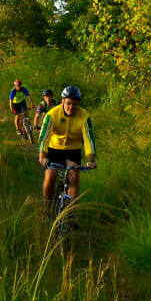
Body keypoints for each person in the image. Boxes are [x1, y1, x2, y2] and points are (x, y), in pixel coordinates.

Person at [37, 85, 96, 216]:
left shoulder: (84, 116)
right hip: (54, 149)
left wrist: (91, 160)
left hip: (72, 150)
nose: (71, 107)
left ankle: (71, 215)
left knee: (73, 180)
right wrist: (43, 155)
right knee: (50, 176)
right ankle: (47, 208)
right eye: (68, 103)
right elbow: (44, 137)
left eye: (75, 104)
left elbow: (89, 139)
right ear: (62, 101)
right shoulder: (52, 114)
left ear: (78, 104)